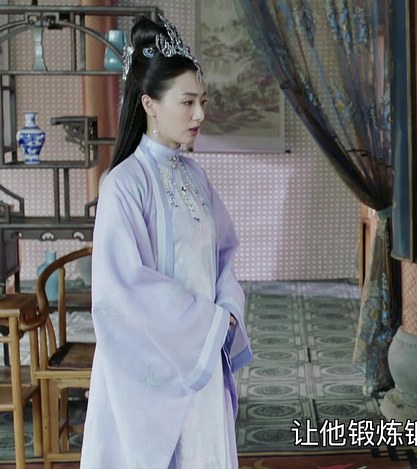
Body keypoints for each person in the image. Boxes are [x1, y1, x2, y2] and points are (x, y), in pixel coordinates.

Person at [81, 14, 252, 468]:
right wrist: (206, 322)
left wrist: (227, 313)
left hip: (202, 359)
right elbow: (122, 289)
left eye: (202, 101)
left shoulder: (194, 176)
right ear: (150, 104)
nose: (200, 114)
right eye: (188, 102)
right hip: (151, 371)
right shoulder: (124, 184)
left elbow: (223, 257)